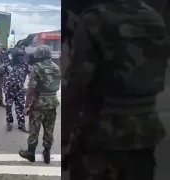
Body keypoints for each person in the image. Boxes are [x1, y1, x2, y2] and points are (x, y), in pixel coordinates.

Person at [61, 0, 169, 179]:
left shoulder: (94, 19)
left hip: (102, 135)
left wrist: (65, 136)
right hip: (145, 131)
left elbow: (78, 84)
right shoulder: (153, 16)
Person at [19, 45, 61, 164]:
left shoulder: (36, 67)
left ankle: (30, 153)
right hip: (52, 102)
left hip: (39, 104)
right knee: (49, 130)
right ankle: (47, 153)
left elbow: (31, 88)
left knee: (34, 129)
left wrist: (27, 105)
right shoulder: (56, 67)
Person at [0, 48, 30, 132]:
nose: (20, 58)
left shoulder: (25, 65)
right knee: (8, 107)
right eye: (19, 56)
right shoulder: (6, 65)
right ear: (14, 56)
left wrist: (29, 86)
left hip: (20, 91)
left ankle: (21, 124)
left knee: (20, 107)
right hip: (9, 91)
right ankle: (9, 123)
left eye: (22, 56)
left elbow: (33, 75)